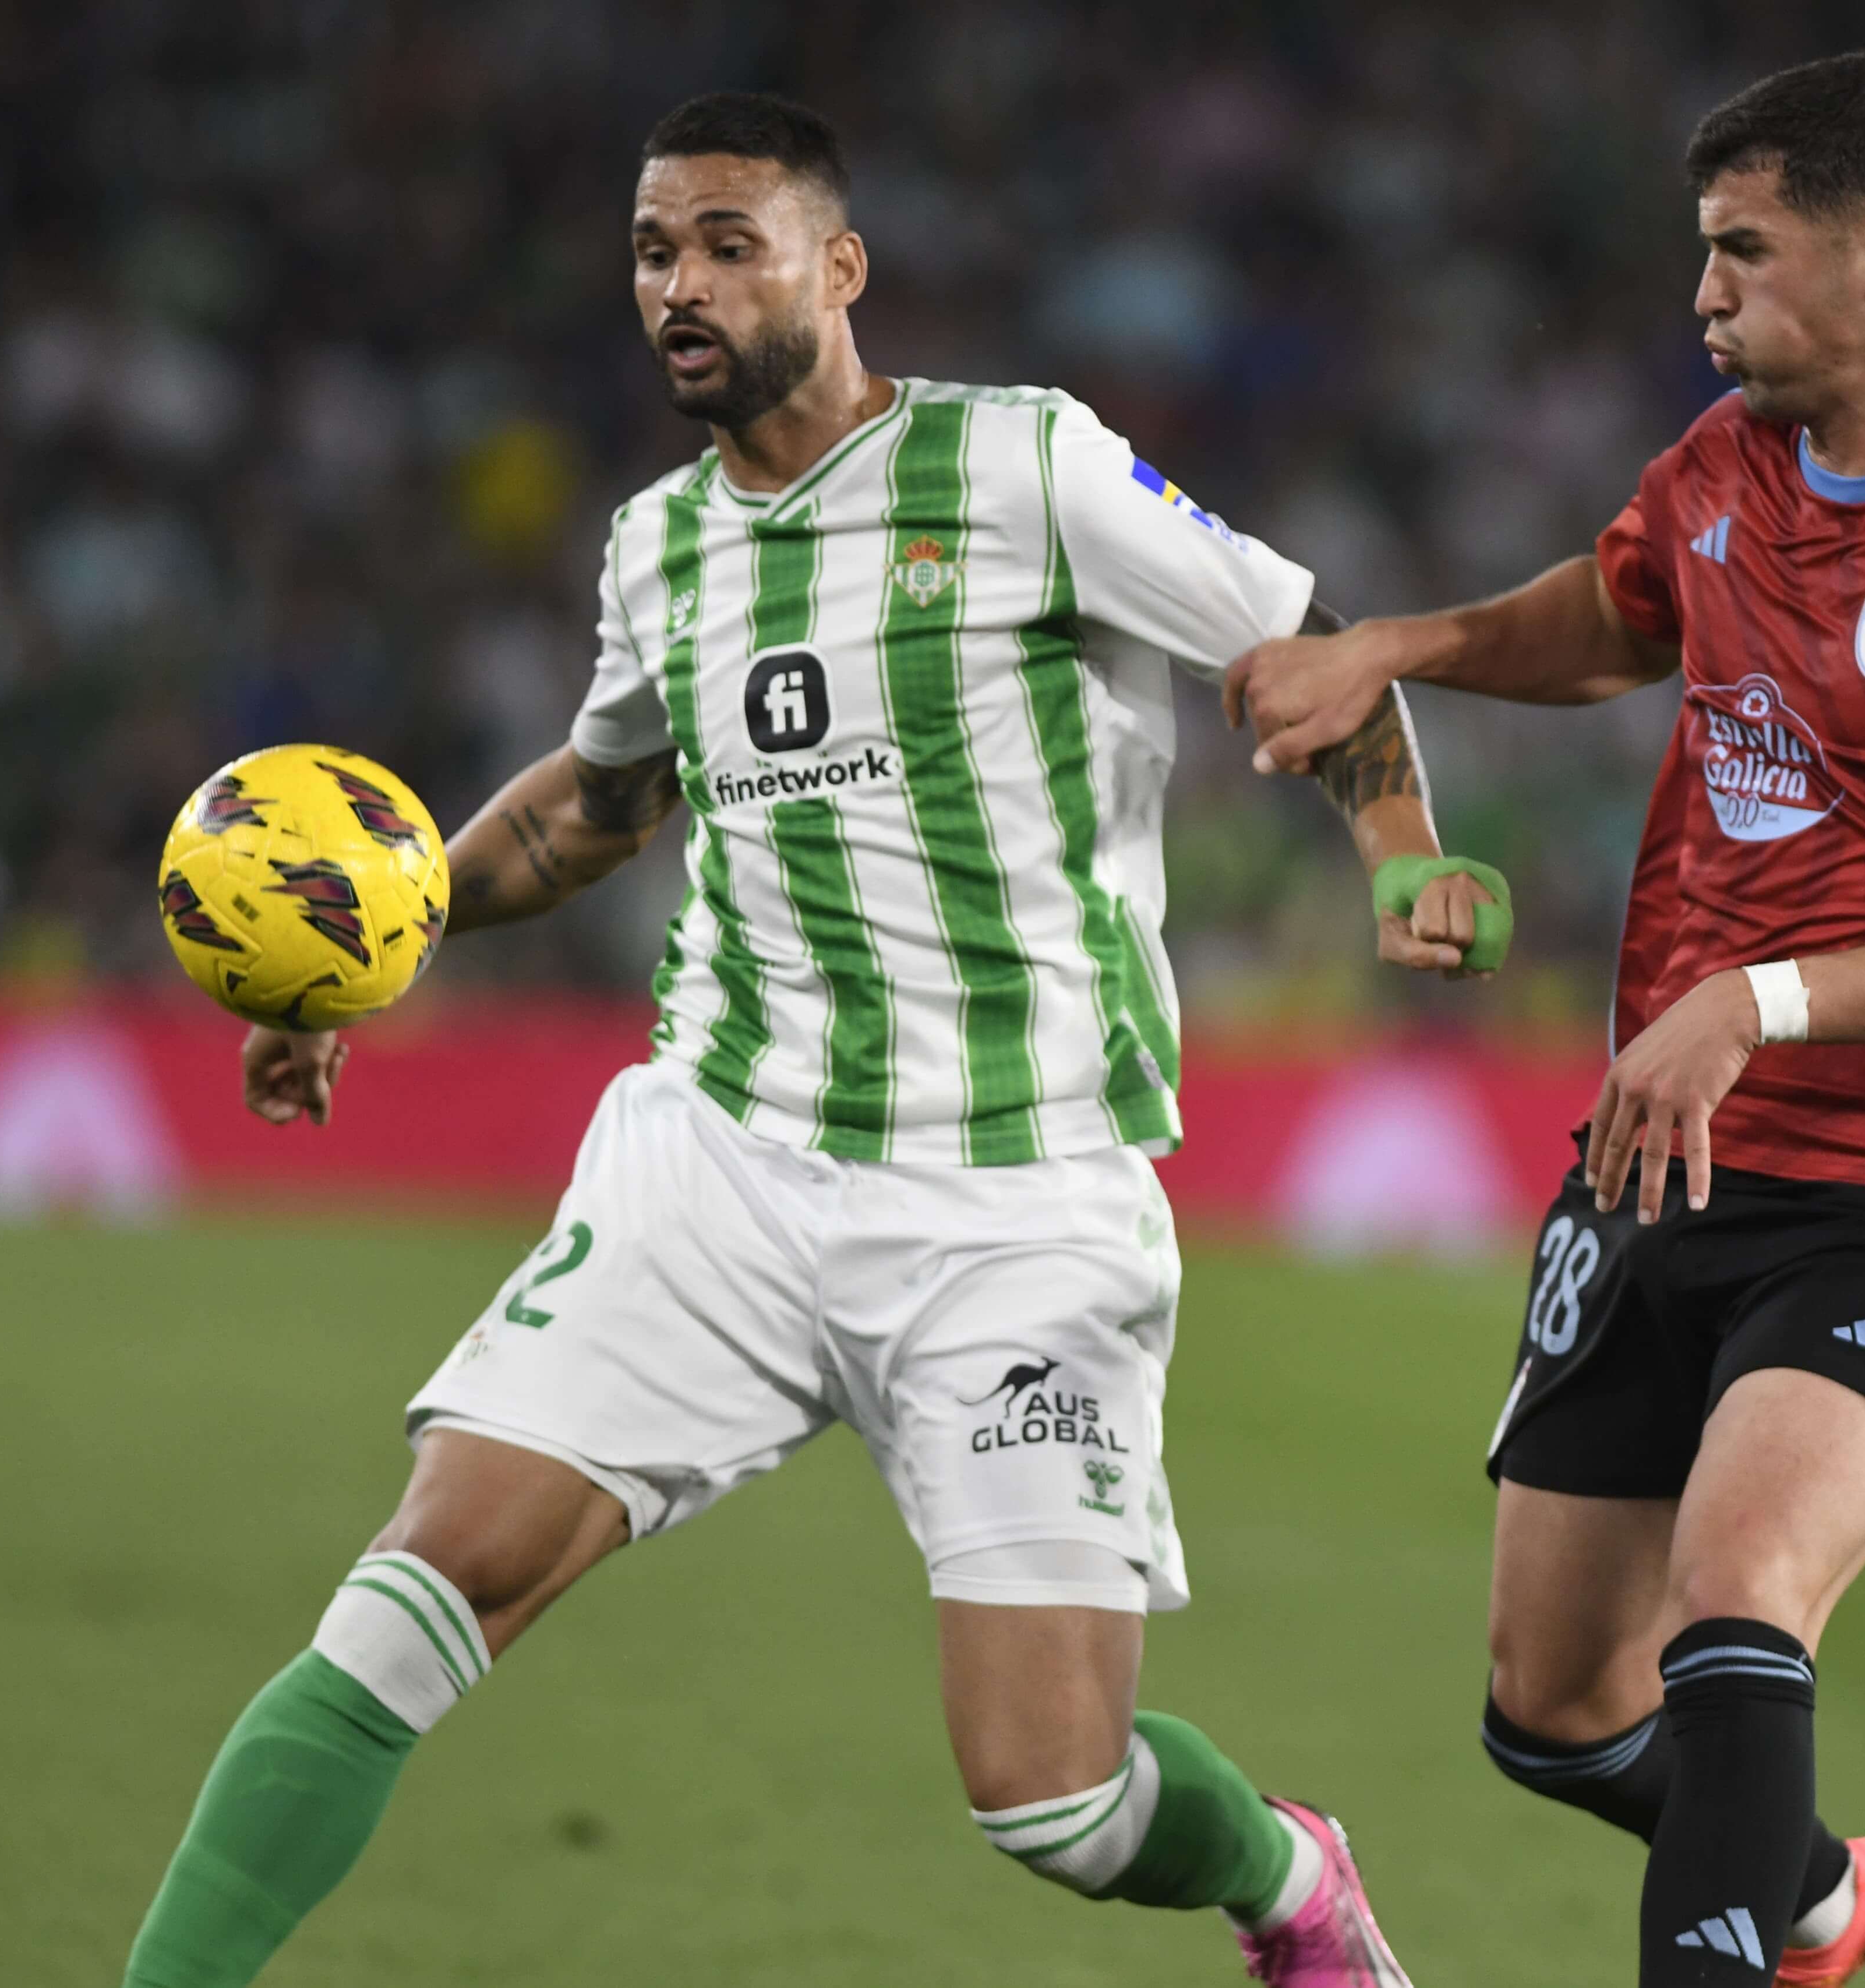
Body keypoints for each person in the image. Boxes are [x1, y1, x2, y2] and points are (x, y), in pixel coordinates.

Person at [119, 90, 1497, 1988]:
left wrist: (1406, 852)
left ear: (838, 270)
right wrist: (372, 940)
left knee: (1059, 1805)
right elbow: (596, 811)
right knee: (409, 1600)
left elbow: (1308, 652)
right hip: (725, 1159)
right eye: (651, 252)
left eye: (725, 244)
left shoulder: (1025, 467)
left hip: (1019, 1196)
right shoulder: (658, 551)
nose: (679, 286)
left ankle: (1284, 1878)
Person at [1228, 50, 1865, 1988]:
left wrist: (1760, 998)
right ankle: (1816, 1896)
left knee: (1737, 1610)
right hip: (1655, 1171)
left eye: (1745, 252)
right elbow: (1618, 609)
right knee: (1550, 1705)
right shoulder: (1729, 467)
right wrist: (1402, 646)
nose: (1705, 293)